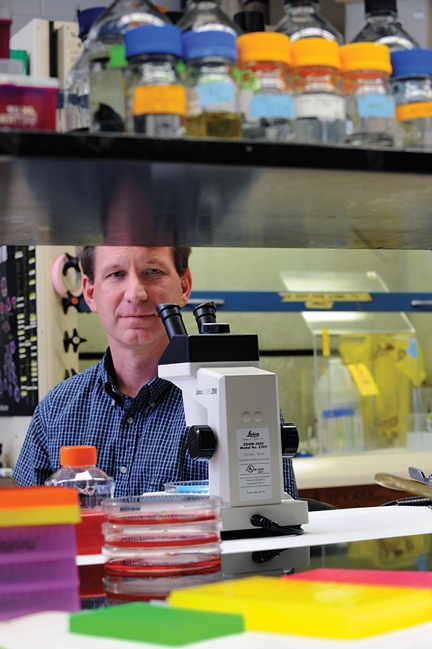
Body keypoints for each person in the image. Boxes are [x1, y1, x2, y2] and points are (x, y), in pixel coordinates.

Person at [13, 246, 299, 498]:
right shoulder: (55, 413)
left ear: (184, 286)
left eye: (153, 271)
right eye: (116, 274)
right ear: (90, 292)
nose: (136, 294)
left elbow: (275, 539)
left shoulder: (238, 402)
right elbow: (21, 540)